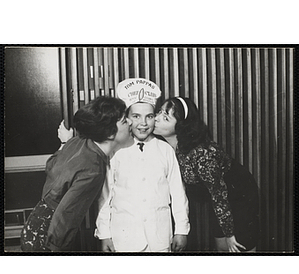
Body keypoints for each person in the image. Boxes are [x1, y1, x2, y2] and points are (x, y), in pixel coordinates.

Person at [20, 96, 133, 252]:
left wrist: (64, 143)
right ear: (110, 133)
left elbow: (50, 166)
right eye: (125, 121)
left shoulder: (77, 142)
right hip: (48, 237)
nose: (131, 123)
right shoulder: (93, 170)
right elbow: (67, 214)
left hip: (34, 225)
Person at [154, 96, 260, 252]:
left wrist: (230, 236)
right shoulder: (166, 146)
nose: (156, 119)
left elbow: (219, 196)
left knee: (237, 246)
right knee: (221, 248)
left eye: (165, 118)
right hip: (217, 201)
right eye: (159, 112)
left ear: (181, 127)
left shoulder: (202, 155)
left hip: (239, 196)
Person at [95, 78, 190, 252]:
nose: (143, 123)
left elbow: (178, 193)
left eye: (149, 116)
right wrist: (104, 233)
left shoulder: (165, 150)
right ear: (127, 119)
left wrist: (182, 230)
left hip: (159, 238)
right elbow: (105, 197)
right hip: (124, 239)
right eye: (136, 116)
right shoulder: (115, 151)